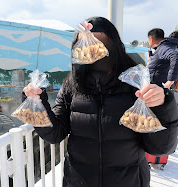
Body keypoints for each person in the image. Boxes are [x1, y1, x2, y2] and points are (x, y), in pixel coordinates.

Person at [22, 17, 178, 187]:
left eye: (101, 43)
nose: (95, 51)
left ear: (115, 44)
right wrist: (35, 103)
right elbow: (55, 133)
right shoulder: (72, 84)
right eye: (86, 44)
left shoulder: (135, 82)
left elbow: (160, 148)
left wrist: (163, 105)